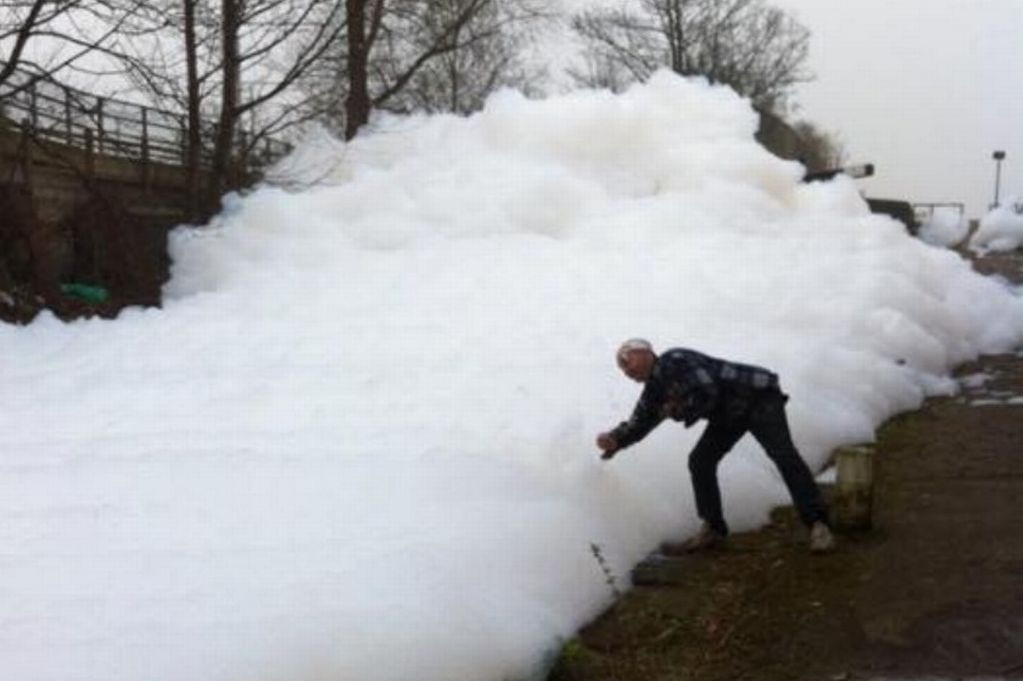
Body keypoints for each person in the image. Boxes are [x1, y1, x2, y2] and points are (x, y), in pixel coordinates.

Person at [597, 338, 835, 554]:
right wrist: (615, 440)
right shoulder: (655, 390)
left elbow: (706, 390)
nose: (626, 370)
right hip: (729, 414)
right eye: (622, 367)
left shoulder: (675, 359)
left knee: (783, 455)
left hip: (757, 397)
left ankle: (818, 524)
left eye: (627, 361)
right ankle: (713, 529)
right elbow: (640, 421)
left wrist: (678, 409)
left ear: (646, 352)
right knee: (700, 460)